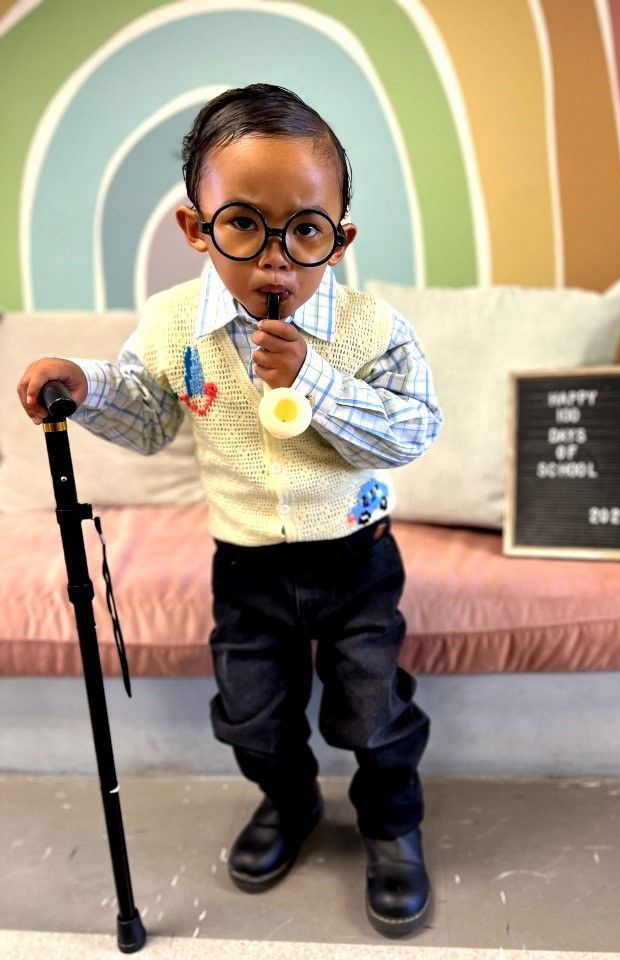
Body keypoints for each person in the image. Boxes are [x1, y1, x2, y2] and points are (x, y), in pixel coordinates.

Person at [17, 84, 443, 937]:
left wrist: (314, 381)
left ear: (339, 238)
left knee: (372, 707)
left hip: (353, 555)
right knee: (250, 708)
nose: (275, 259)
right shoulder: (178, 322)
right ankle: (289, 803)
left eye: (306, 231)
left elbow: (412, 431)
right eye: (243, 223)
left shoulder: (368, 328)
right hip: (246, 561)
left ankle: (391, 824)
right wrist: (87, 385)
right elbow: (147, 414)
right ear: (195, 227)